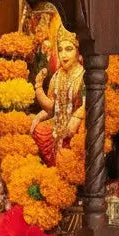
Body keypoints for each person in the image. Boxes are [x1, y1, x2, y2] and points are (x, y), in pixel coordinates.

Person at [30, 23, 85, 166]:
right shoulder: (56, 77)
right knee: (39, 130)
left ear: (78, 51)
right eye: (60, 50)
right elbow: (52, 108)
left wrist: (76, 119)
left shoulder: (84, 76)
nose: (64, 55)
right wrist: (38, 87)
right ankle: (53, 171)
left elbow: (88, 105)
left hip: (77, 128)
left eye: (69, 49)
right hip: (57, 125)